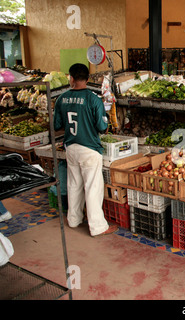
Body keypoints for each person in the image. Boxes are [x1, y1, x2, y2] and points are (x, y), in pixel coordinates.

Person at [54, 63, 118, 237]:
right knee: (92, 187)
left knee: (74, 184)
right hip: (89, 148)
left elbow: (57, 125)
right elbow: (102, 126)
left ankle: (73, 220)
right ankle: (97, 226)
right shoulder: (93, 99)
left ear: (71, 78)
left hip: (71, 147)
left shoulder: (61, 98)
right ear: (88, 79)